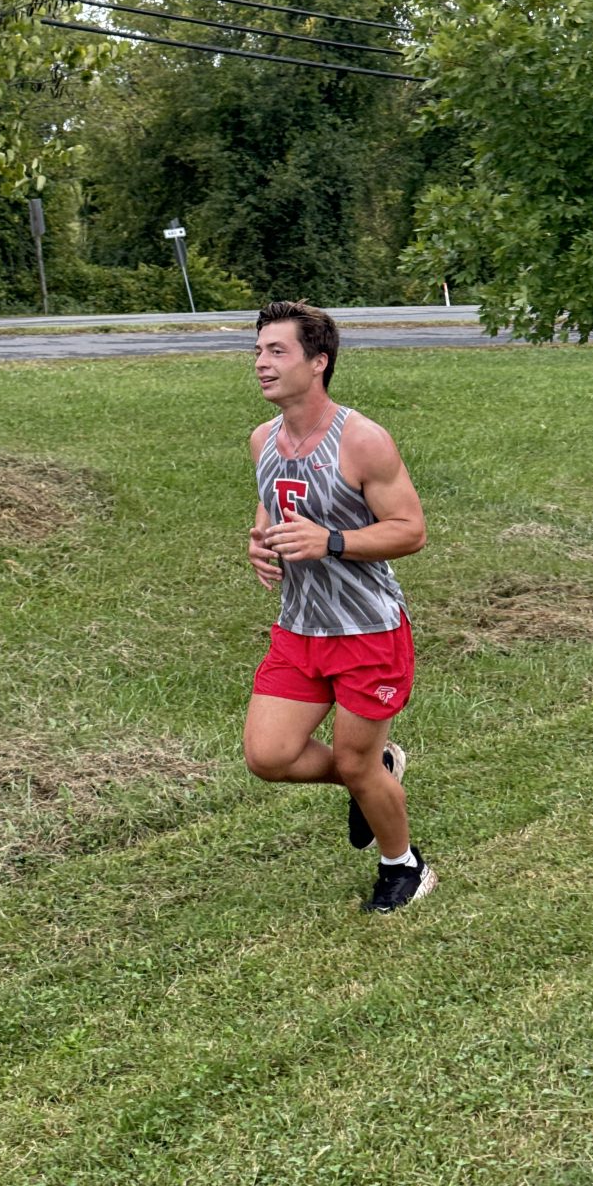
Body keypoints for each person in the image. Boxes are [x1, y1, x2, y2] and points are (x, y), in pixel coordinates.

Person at [243, 299, 437, 913]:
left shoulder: (362, 440)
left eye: (278, 351)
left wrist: (330, 541)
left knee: (353, 761)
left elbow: (409, 529)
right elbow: (275, 505)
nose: (262, 364)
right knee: (268, 757)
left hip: (366, 630)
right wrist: (261, 543)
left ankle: (403, 865)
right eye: (258, 351)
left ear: (318, 362)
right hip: (300, 628)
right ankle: (376, 771)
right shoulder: (262, 441)